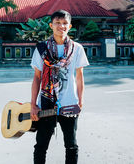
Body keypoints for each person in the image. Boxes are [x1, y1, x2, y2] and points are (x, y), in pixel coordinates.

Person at [30, 10, 89, 164]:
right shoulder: (42, 49)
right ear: (51, 25)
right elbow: (37, 77)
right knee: (41, 145)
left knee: (71, 145)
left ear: (70, 26)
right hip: (46, 103)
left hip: (70, 103)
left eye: (64, 23)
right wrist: (33, 104)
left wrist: (81, 100)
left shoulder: (77, 49)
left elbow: (80, 77)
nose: (61, 26)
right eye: (57, 23)